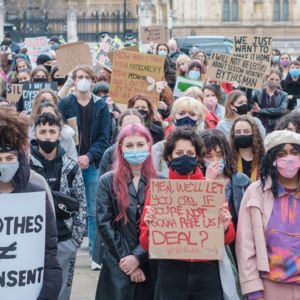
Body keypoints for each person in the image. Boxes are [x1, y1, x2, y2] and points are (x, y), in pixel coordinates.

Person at [140, 126, 236, 300]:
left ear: (197, 156)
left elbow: (229, 238)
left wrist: (223, 227)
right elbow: (146, 244)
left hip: (207, 272)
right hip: (171, 272)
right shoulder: (160, 192)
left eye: (190, 153)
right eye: (179, 153)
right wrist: (151, 227)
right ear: (169, 156)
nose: (185, 157)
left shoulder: (211, 190)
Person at [0, 108, 62, 299]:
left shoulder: (37, 194)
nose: (4, 165)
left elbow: (49, 252)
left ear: (19, 158)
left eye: (9, 159)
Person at [236, 130, 300, 300]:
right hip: (270, 287)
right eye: (282, 154)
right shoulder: (255, 192)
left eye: (295, 153)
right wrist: (254, 291)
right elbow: (246, 246)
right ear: (272, 159)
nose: (289, 158)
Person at [95, 123, 156, 300]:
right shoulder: (108, 181)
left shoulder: (160, 180)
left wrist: (138, 257)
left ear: (149, 146)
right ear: (121, 149)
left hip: (150, 261)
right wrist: (127, 259)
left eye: (140, 144)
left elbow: (162, 225)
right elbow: (104, 222)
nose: (135, 149)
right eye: (129, 145)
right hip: (118, 262)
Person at [30, 112, 86, 300]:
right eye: (43, 131)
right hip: (32, 241)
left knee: (61, 294)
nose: (47, 136)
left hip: (64, 240)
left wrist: (75, 240)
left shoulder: (71, 166)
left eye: (52, 131)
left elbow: (81, 203)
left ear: (59, 134)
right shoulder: (25, 166)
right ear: (35, 134)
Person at [59, 64, 110, 268]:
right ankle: (66, 250)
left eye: (86, 76)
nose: (82, 80)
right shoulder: (66, 103)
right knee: (68, 207)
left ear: (92, 80)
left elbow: (104, 138)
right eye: (78, 76)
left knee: (93, 210)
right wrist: (73, 158)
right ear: (74, 80)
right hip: (69, 165)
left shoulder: (101, 105)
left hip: (91, 164)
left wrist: (89, 156)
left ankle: (94, 255)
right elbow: (59, 132)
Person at [154, 96, 206, 179]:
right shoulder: (159, 147)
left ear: (199, 119)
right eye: (181, 113)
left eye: (192, 114)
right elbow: (154, 176)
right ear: (174, 117)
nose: (186, 117)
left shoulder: (205, 146)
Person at [252, 69, 288, 133]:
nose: (274, 81)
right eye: (271, 79)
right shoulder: (257, 93)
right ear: (266, 78)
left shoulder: (284, 95)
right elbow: (250, 102)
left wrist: (260, 110)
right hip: (259, 126)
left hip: (277, 127)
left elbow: (280, 110)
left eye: (277, 80)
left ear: (280, 81)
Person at [230, 116, 265, 181]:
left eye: (246, 131)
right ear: (233, 135)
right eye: (238, 132)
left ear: (254, 133)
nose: (242, 134)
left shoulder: (264, 159)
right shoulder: (229, 160)